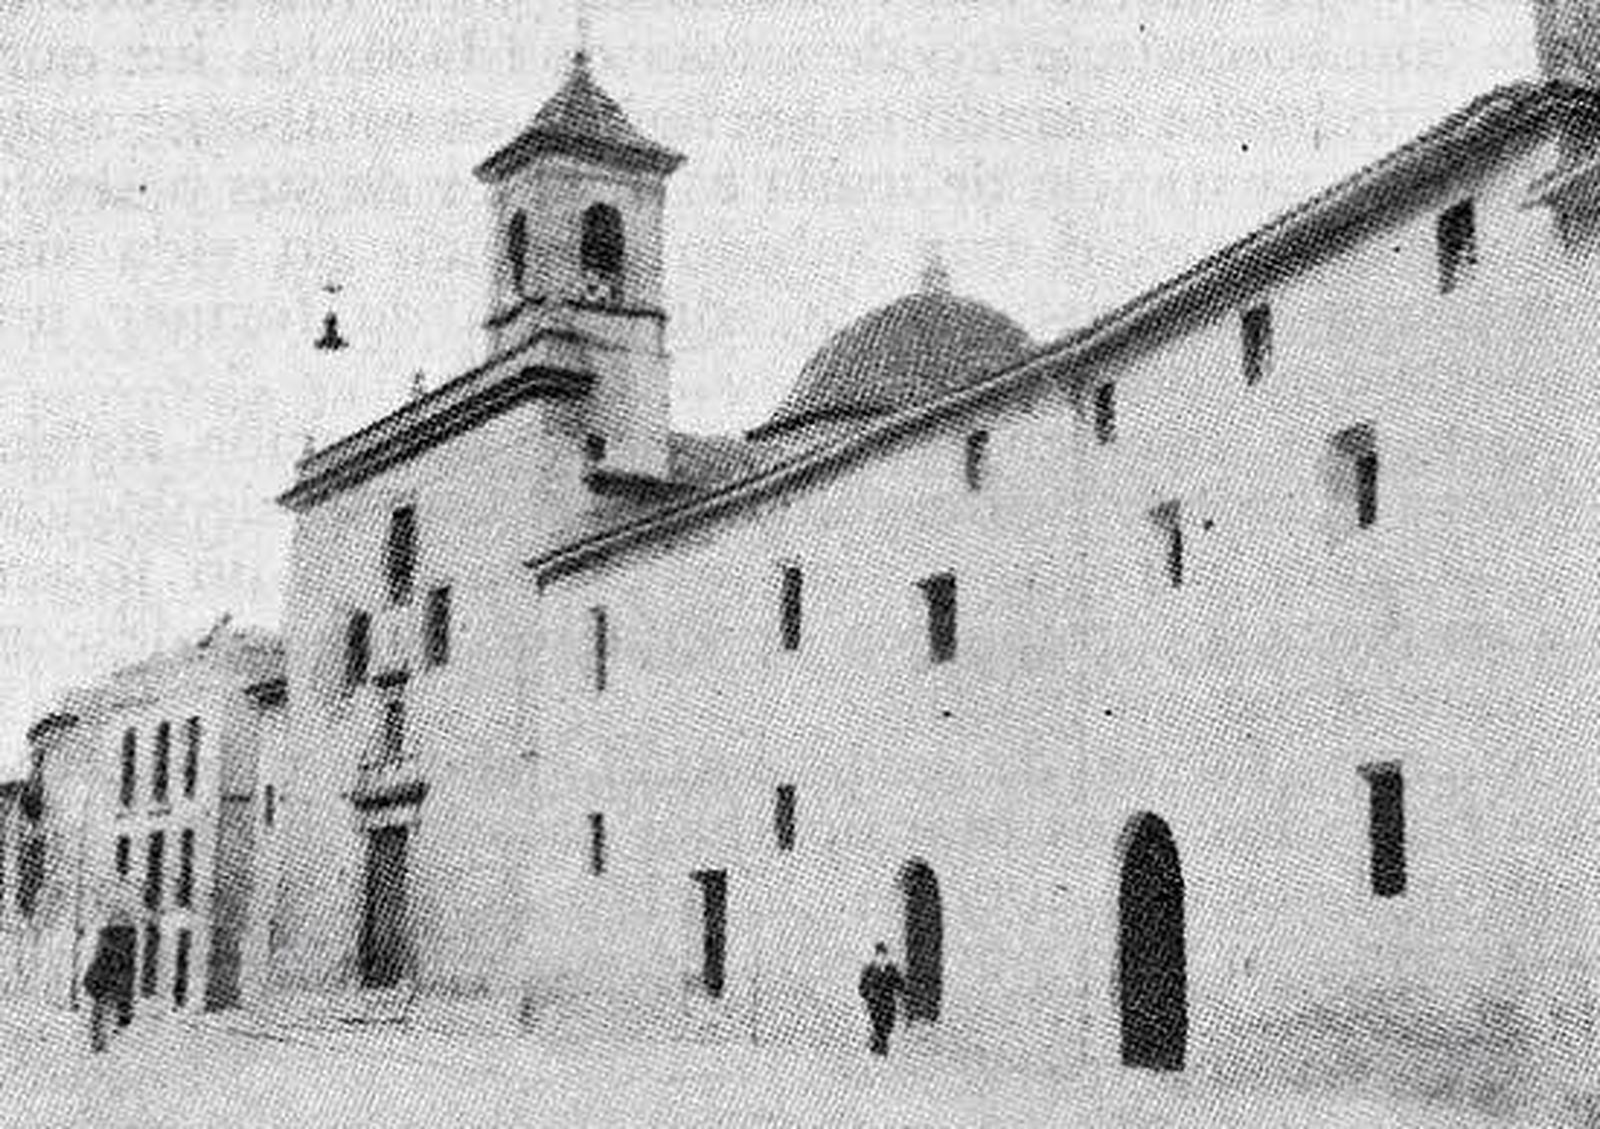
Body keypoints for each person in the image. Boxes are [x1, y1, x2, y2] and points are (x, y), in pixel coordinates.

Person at [83, 916, 135, 1053]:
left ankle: (101, 1044)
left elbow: (97, 966)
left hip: (107, 986)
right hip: (110, 986)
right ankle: (102, 1044)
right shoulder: (123, 952)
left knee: (102, 1013)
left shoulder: (112, 950)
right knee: (103, 1013)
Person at [857, 942, 904, 1057]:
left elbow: (899, 984)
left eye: (883, 953)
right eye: (879, 953)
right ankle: (878, 1045)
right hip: (875, 1001)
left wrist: (900, 989)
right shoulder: (870, 969)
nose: (881, 956)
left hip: (888, 1000)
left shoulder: (890, 968)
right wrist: (867, 995)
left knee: (888, 1022)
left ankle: (881, 1043)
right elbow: (863, 985)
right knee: (878, 1022)